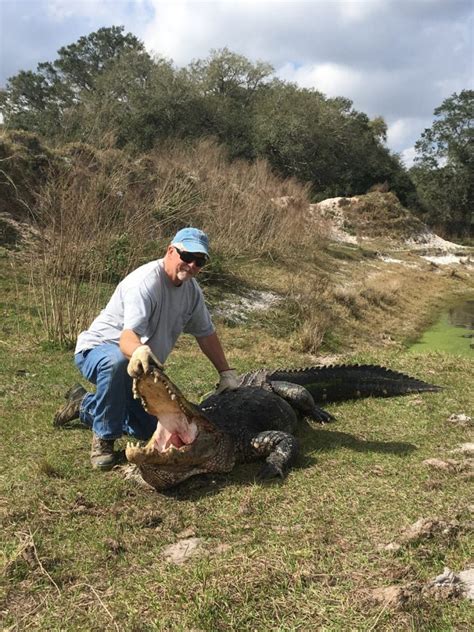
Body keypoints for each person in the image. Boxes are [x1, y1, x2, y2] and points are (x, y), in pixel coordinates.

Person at [53, 227, 239, 470]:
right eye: (187, 256)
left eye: (199, 260)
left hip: (142, 364)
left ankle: (86, 404)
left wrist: (226, 372)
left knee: (155, 429)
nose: (192, 265)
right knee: (117, 363)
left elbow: (206, 334)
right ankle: (104, 439)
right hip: (102, 349)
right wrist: (139, 350)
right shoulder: (145, 283)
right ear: (171, 251)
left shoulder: (192, 293)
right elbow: (126, 338)